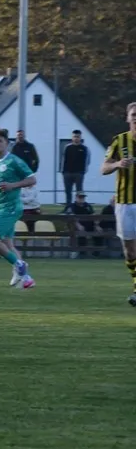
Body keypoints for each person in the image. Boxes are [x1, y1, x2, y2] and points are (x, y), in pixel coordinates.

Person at [0, 128, 38, 289]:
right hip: (0, 207)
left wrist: (13, 185)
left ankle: (19, 265)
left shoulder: (14, 161)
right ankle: (26, 278)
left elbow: (32, 179)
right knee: (8, 244)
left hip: (11, 207)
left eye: (0, 141)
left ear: (7, 143)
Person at [99, 101, 136, 306]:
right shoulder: (119, 141)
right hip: (124, 203)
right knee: (129, 250)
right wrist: (117, 164)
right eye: (133, 114)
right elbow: (103, 168)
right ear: (127, 118)